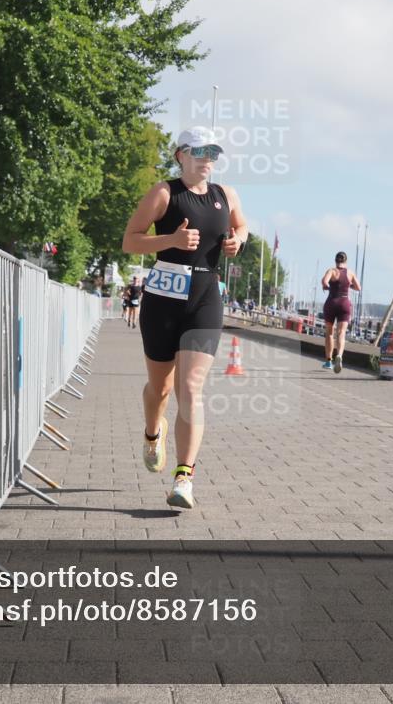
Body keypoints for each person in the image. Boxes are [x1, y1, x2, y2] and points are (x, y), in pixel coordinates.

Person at [121, 126, 248, 509]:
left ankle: (184, 478)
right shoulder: (164, 193)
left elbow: (241, 225)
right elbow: (130, 240)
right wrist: (170, 241)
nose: (208, 159)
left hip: (206, 296)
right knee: (160, 389)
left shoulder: (225, 195)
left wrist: (237, 240)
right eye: (200, 151)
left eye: (214, 152)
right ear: (181, 155)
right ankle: (151, 434)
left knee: (190, 388)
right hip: (163, 298)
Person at [320, 251, 361, 373]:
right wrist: (349, 286)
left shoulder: (332, 271)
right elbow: (358, 287)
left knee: (329, 333)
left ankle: (328, 361)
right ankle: (339, 356)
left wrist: (327, 287)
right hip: (344, 303)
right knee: (341, 332)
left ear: (336, 261)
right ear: (345, 261)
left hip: (331, 302)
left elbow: (324, 282)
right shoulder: (350, 273)